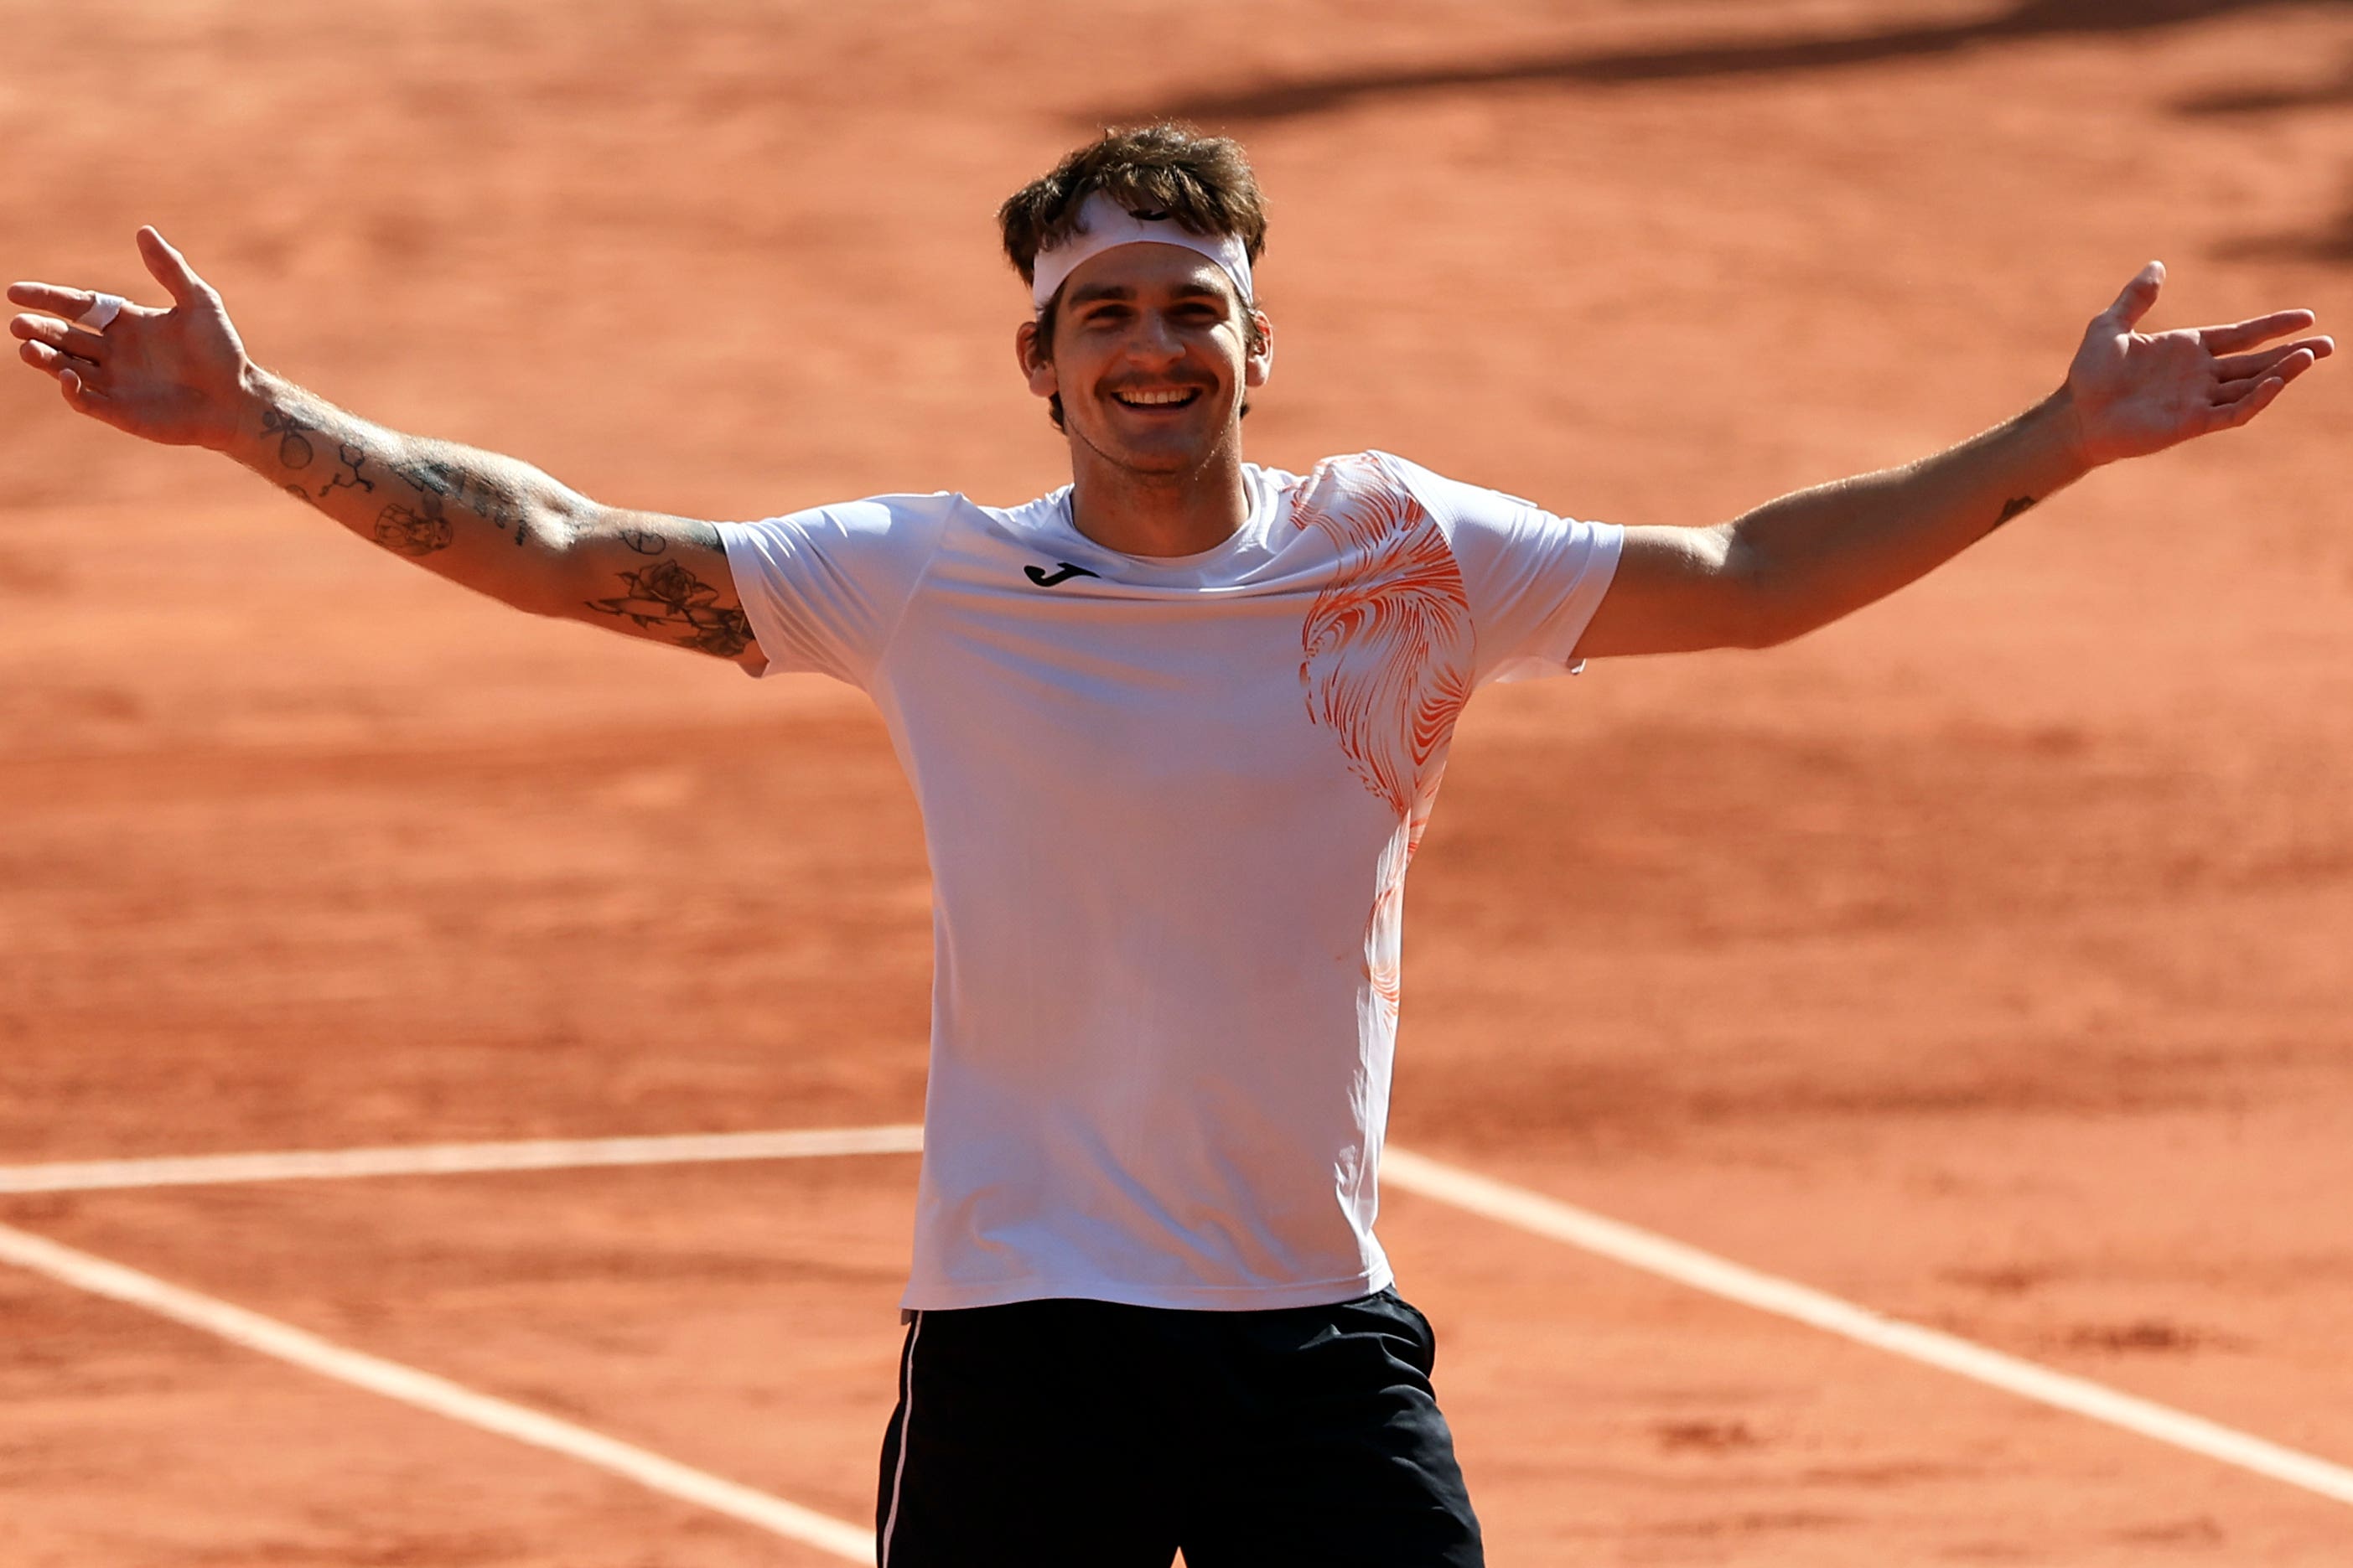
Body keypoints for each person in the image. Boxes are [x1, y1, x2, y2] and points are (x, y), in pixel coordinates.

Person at [10, 123, 2329, 1567]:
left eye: (1189, 310)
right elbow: (556, 545)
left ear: (1257, 343)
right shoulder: (915, 579)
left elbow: (1745, 577)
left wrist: (2057, 439)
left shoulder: (1405, 555)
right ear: (1038, 362)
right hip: (1027, 1349)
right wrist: (252, 423)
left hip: (1319, 1345)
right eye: (1099, 313)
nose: (1150, 347)